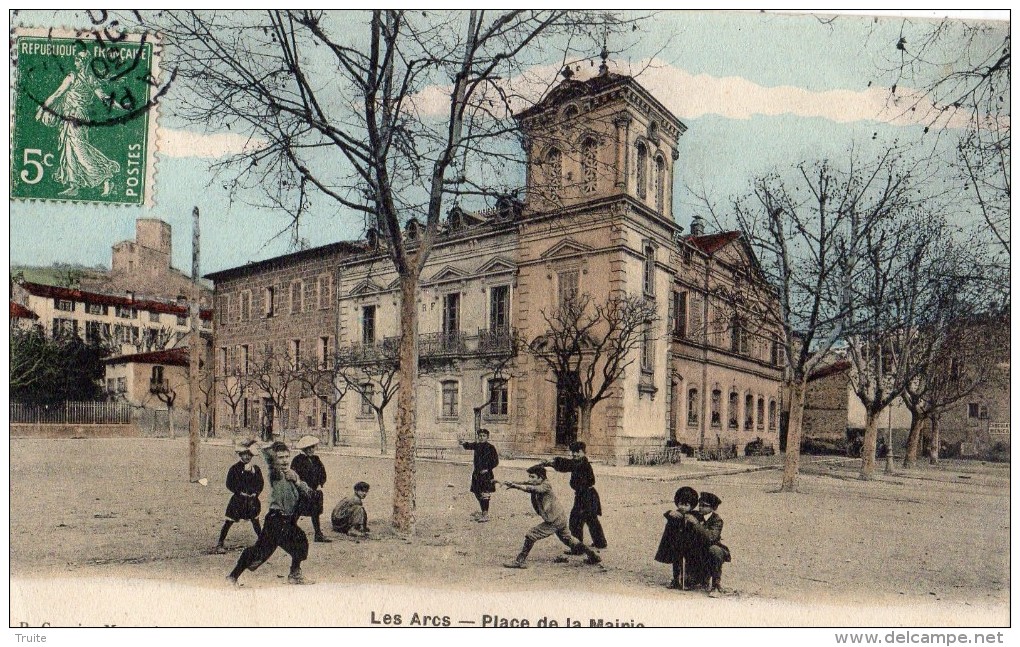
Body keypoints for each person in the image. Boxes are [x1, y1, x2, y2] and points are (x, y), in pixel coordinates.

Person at [35, 46, 121, 197]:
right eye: (76, 58)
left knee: (80, 150)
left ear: (85, 62)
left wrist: (121, 107)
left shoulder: (79, 78)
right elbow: (57, 94)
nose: (76, 61)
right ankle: (74, 185)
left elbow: (104, 98)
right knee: (69, 149)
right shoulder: (79, 77)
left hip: (77, 117)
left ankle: (107, 177)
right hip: (70, 117)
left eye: (79, 59)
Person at [227, 441, 315, 586]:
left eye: (287, 456)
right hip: (276, 520)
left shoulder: (292, 474)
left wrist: (297, 480)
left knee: (301, 542)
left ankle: (294, 575)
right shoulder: (275, 474)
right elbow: (270, 461)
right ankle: (232, 577)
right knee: (259, 552)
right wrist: (262, 444)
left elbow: (307, 491)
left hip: (289, 520)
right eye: (280, 457)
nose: (285, 460)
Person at [497, 465, 602, 569]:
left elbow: (531, 488)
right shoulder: (540, 481)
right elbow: (526, 483)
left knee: (531, 534)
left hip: (554, 520)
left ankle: (519, 561)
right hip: (559, 517)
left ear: (541, 477)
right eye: (530, 476)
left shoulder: (545, 486)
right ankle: (593, 556)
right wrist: (511, 483)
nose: (530, 479)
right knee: (569, 540)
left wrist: (515, 486)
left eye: (532, 477)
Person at [543, 441, 607, 551]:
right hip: (587, 495)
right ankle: (600, 542)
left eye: (578, 452)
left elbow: (569, 465)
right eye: (573, 452)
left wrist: (552, 463)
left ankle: (577, 548)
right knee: (591, 519)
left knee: (575, 520)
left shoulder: (582, 464)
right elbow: (569, 464)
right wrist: (552, 463)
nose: (575, 454)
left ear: (584, 452)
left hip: (585, 496)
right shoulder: (579, 462)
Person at [215, 441, 265, 554]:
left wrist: (255, 493)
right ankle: (220, 543)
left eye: (249, 454)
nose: (247, 456)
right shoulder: (234, 468)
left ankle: (262, 542)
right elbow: (229, 484)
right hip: (238, 501)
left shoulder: (256, 469)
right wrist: (239, 492)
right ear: (240, 455)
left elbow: (260, 483)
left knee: (255, 521)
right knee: (229, 521)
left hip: (252, 501)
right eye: (244, 454)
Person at [653, 486, 707, 590]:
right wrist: (669, 512)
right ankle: (676, 580)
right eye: (680, 504)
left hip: (690, 545)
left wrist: (694, 521)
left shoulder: (695, 515)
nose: (682, 507)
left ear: (692, 506)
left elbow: (700, 524)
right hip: (676, 544)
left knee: (689, 563)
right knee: (676, 562)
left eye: (686, 505)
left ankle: (687, 581)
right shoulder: (675, 514)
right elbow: (668, 515)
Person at [687, 491, 732, 597]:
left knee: (715, 551)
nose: (700, 508)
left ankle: (716, 586)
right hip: (697, 550)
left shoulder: (717, 520)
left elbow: (711, 537)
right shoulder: (696, 515)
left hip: (711, 548)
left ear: (713, 508)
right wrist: (670, 512)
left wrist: (696, 524)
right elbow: (680, 513)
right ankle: (697, 578)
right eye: (700, 505)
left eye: (705, 506)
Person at [291, 435, 331, 543]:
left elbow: (322, 472)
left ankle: (318, 534)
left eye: (313, 447)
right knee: (297, 512)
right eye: (311, 448)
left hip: (314, 491)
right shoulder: (297, 460)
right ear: (306, 448)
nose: (313, 450)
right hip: (301, 491)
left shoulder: (315, 459)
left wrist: (320, 483)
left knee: (315, 512)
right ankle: (288, 532)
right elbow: (294, 476)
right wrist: (302, 487)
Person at [460, 429, 499, 523]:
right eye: (480, 436)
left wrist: (487, 468)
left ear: (487, 437)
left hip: (486, 475)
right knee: (477, 492)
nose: (481, 437)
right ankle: (483, 512)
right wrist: (463, 443)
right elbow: (469, 445)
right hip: (477, 474)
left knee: (485, 494)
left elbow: (496, 461)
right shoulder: (477, 445)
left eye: (484, 436)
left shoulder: (491, 447)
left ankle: (485, 515)